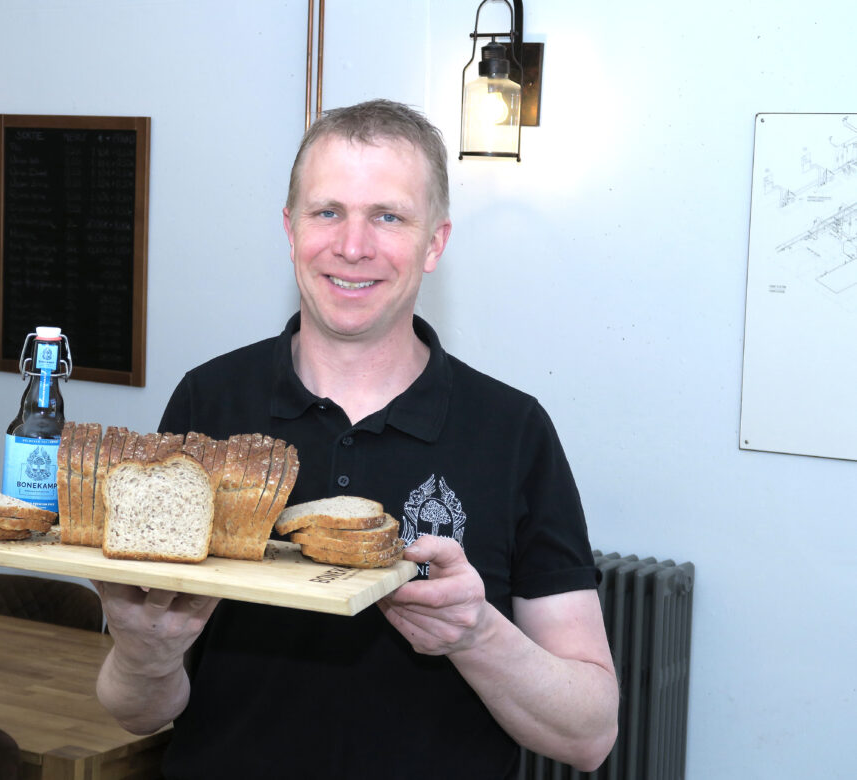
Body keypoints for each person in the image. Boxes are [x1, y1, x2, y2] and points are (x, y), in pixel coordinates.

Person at [94, 99, 619, 778]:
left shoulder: (514, 432)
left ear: (435, 243)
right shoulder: (208, 402)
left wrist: (477, 634)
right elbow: (136, 713)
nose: (352, 246)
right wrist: (145, 657)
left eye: (388, 217)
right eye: (327, 212)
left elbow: (589, 735)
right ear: (290, 230)